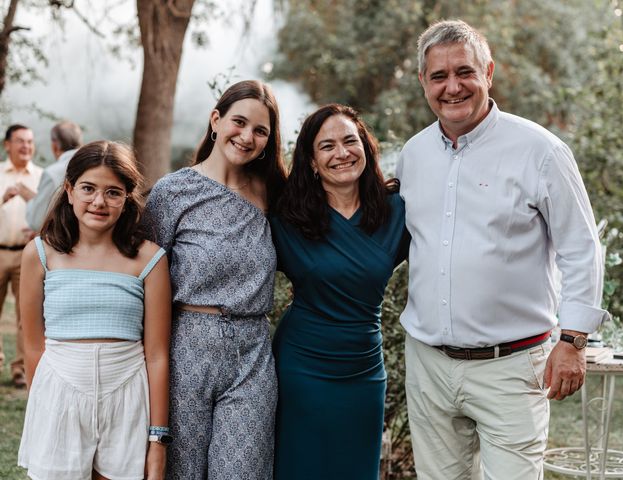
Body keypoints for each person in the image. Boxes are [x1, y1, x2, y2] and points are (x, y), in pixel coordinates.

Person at [397, 19, 609, 479]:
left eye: (465, 72)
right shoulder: (413, 156)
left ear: (488, 72)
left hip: (512, 368)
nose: (453, 87)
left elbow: (582, 248)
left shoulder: (541, 151)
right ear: (423, 82)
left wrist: (572, 341)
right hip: (429, 366)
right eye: (439, 76)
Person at [142, 79, 287, 480]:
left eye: (260, 130)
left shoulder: (273, 194)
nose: (247, 136)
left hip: (252, 351)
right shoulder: (174, 192)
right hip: (186, 345)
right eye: (238, 122)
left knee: (243, 471)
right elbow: (143, 275)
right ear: (215, 120)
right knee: (181, 471)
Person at [270, 104, 409, 480]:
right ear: (312, 162)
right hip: (302, 366)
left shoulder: (398, 212)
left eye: (350, 141)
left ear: (366, 147)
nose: (342, 152)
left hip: (364, 369)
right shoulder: (286, 219)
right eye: (327, 146)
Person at [18, 141, 171, 480]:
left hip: (127, 395)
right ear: (70, 190)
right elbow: (33, 345)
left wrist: (157, 439)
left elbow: (157, 355)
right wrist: (42, 408)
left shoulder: (150, 260)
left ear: (127, 198)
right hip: (60, 394)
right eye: (88, 188)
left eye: (113, 192)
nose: (99, 202)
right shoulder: (40, 254)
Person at [0, 124, 42, 388]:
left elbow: (51, 211)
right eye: (20, 141)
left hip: (28, 254)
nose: (26, 146)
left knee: (26, 315)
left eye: (30, 141)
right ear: (7, 145)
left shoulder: (41, 176)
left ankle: (20, 369)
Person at [26, 120, 83, 231]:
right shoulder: (92, 166)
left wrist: (31, 201)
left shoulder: (52, 173)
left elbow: (37, 222)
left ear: (55, 145)